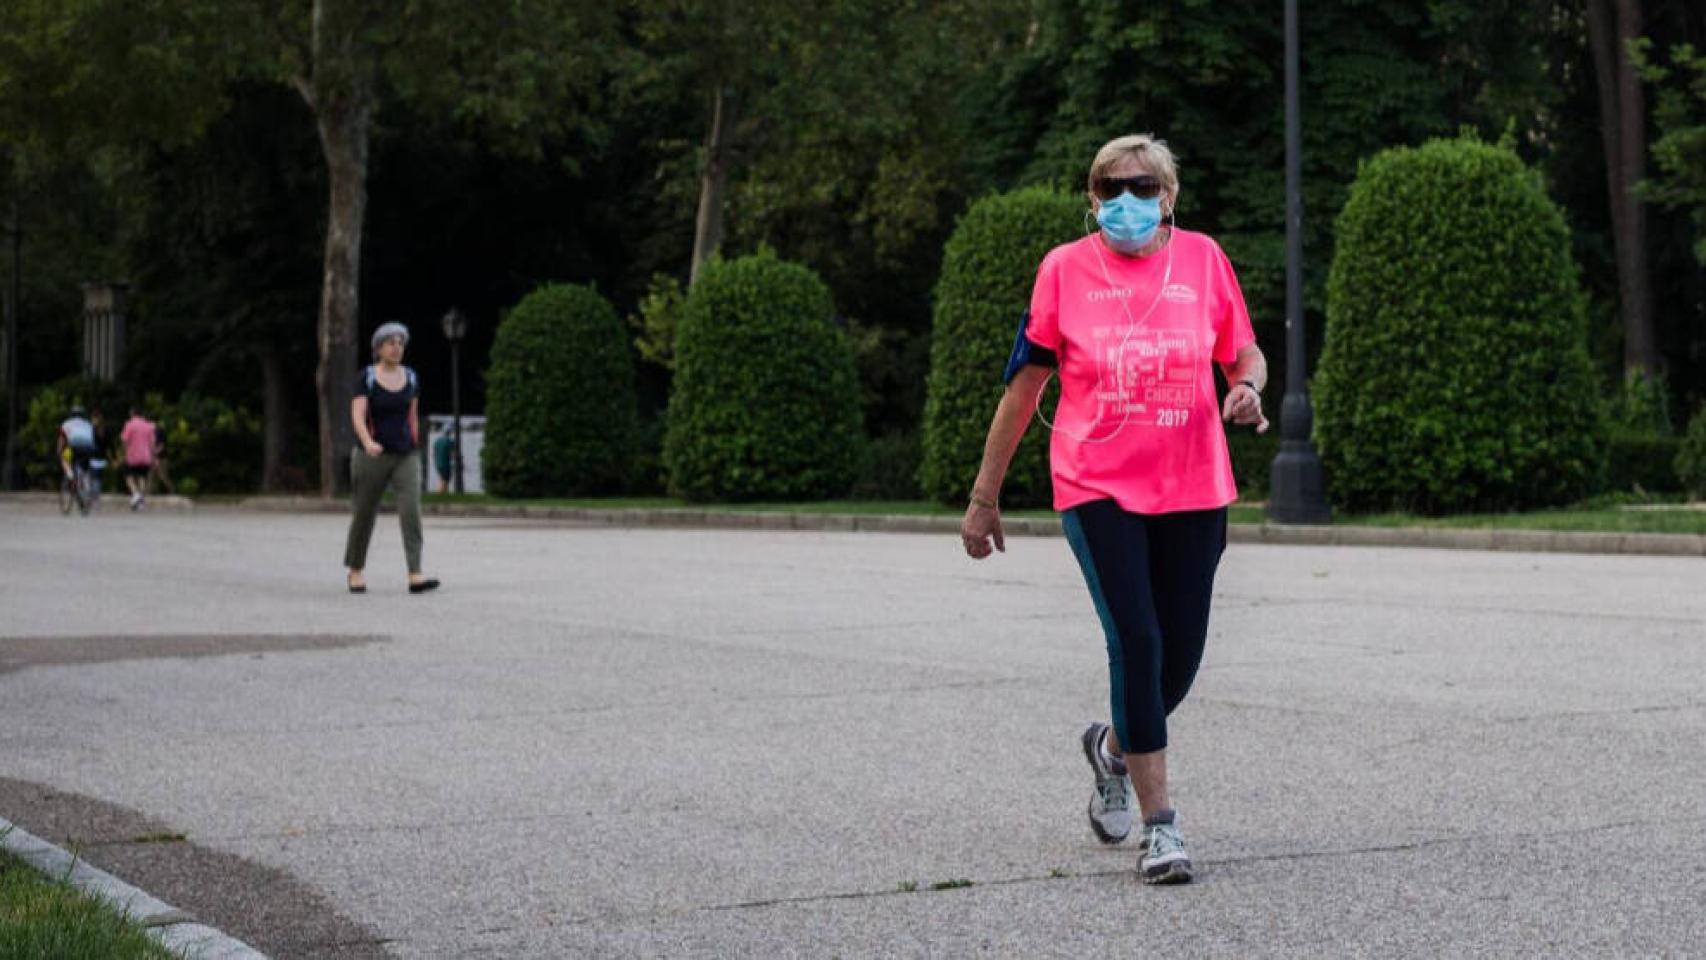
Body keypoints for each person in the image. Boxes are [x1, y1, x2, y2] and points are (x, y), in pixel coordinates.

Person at [959, 134, 1269, 885]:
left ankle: (1112, 749)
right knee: (1136, 637)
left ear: (1167, 196)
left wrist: (1249, 387)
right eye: (1107, 189)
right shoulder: (1064, 270)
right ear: (1092, 197)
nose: (1122, 201)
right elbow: (1023, 390)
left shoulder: (1204, 261)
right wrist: (983, 496)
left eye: (1138, 187)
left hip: (1195, 484)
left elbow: (1244, 352)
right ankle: (1162, 830)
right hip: (1098, 484)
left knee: (1181, 655)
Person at [344, 322, 439, 594]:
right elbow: (357, 417)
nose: (397, 347)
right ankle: (355, 570)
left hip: (405, 455)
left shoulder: (411, 377)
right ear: (378, 348)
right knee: (364, 514)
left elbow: (412, 417)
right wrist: (367, 442)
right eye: (391, 343)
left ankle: (415, 573)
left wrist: (415, 444)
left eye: (400, 342)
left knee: (411, 512)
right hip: (371, 455)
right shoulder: (367, 378)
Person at [120, 405, 160, 510]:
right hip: (146, 457)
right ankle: (141, 501)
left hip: (132, 456)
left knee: (128, 476)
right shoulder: (149, 426)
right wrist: (154, 457)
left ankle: (135, 493)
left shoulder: (129, 425)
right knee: (142, 477)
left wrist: (124, 453)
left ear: (132, 413)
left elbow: (124, 441)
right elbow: (152, 444)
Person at [56, 405, 99, 489]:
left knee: (64, 459)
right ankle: (86, 485)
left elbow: (61, 440)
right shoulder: (88, 424)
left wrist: (59, 451)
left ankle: (70, 475)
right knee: (85, 467)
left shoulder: (66, 424)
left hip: (74, 447)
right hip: (89, 448)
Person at [432, 429, 454, 494]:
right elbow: (452, 453)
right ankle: (441, 493)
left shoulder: (437, 441)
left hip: (438, 463)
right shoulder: (449, 441)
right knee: (446, 480)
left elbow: (434, 453)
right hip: (446, 464)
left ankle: (444, 494)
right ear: (449, 433)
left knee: (442, 479)